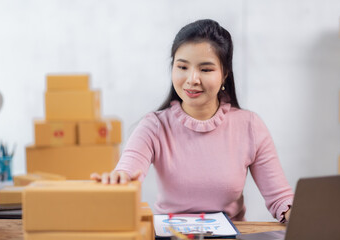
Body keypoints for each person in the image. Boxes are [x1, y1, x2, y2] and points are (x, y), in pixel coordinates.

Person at [91, 19, 293, 222]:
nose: (192, 79)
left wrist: (298, 215)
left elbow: (281, 200)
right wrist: (119, 179)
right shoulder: (154, 126)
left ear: (225, 75)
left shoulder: (249, 126)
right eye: (182, 67)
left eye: (205, 69)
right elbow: (127, 172)